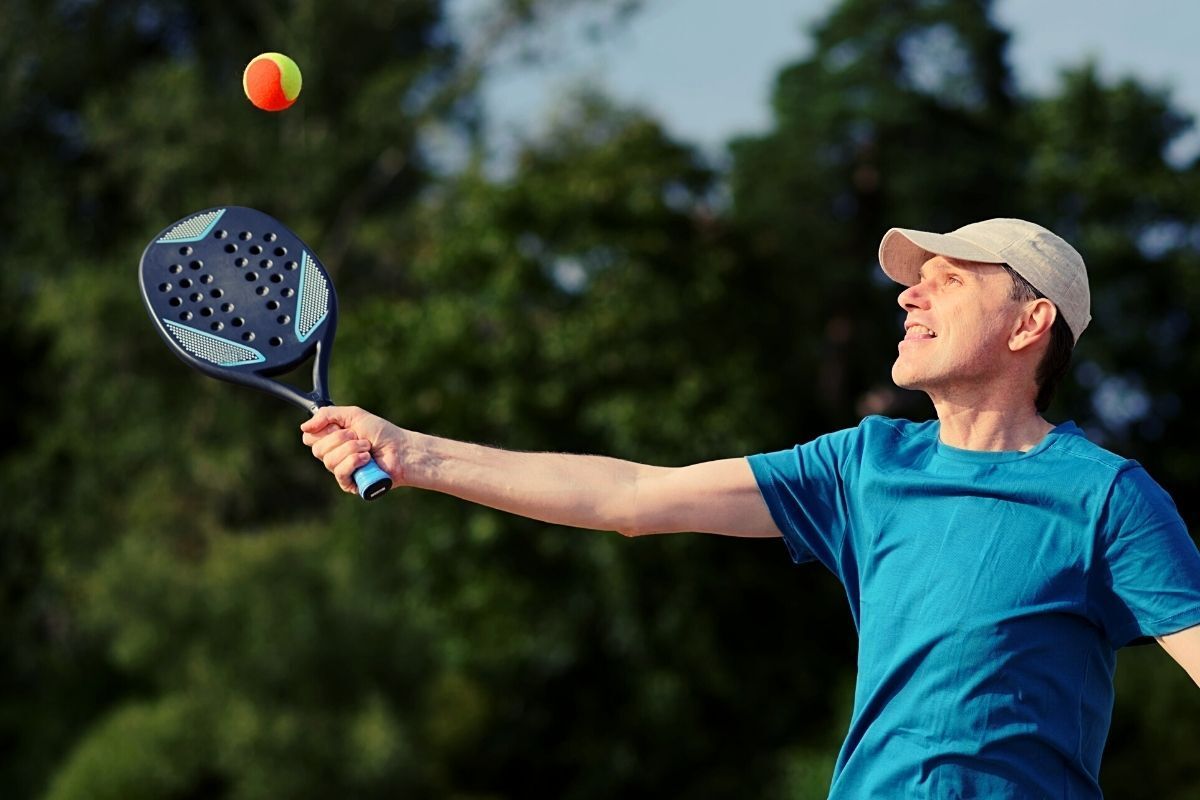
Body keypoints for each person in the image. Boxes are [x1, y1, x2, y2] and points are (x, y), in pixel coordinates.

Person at [301, 218, 1200, 798]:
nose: (910, 293)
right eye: (914, 279)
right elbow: (632, 496)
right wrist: (411, 452)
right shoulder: (865, 465)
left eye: (950, 279)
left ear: (1029, 324)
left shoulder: (1105, 496)